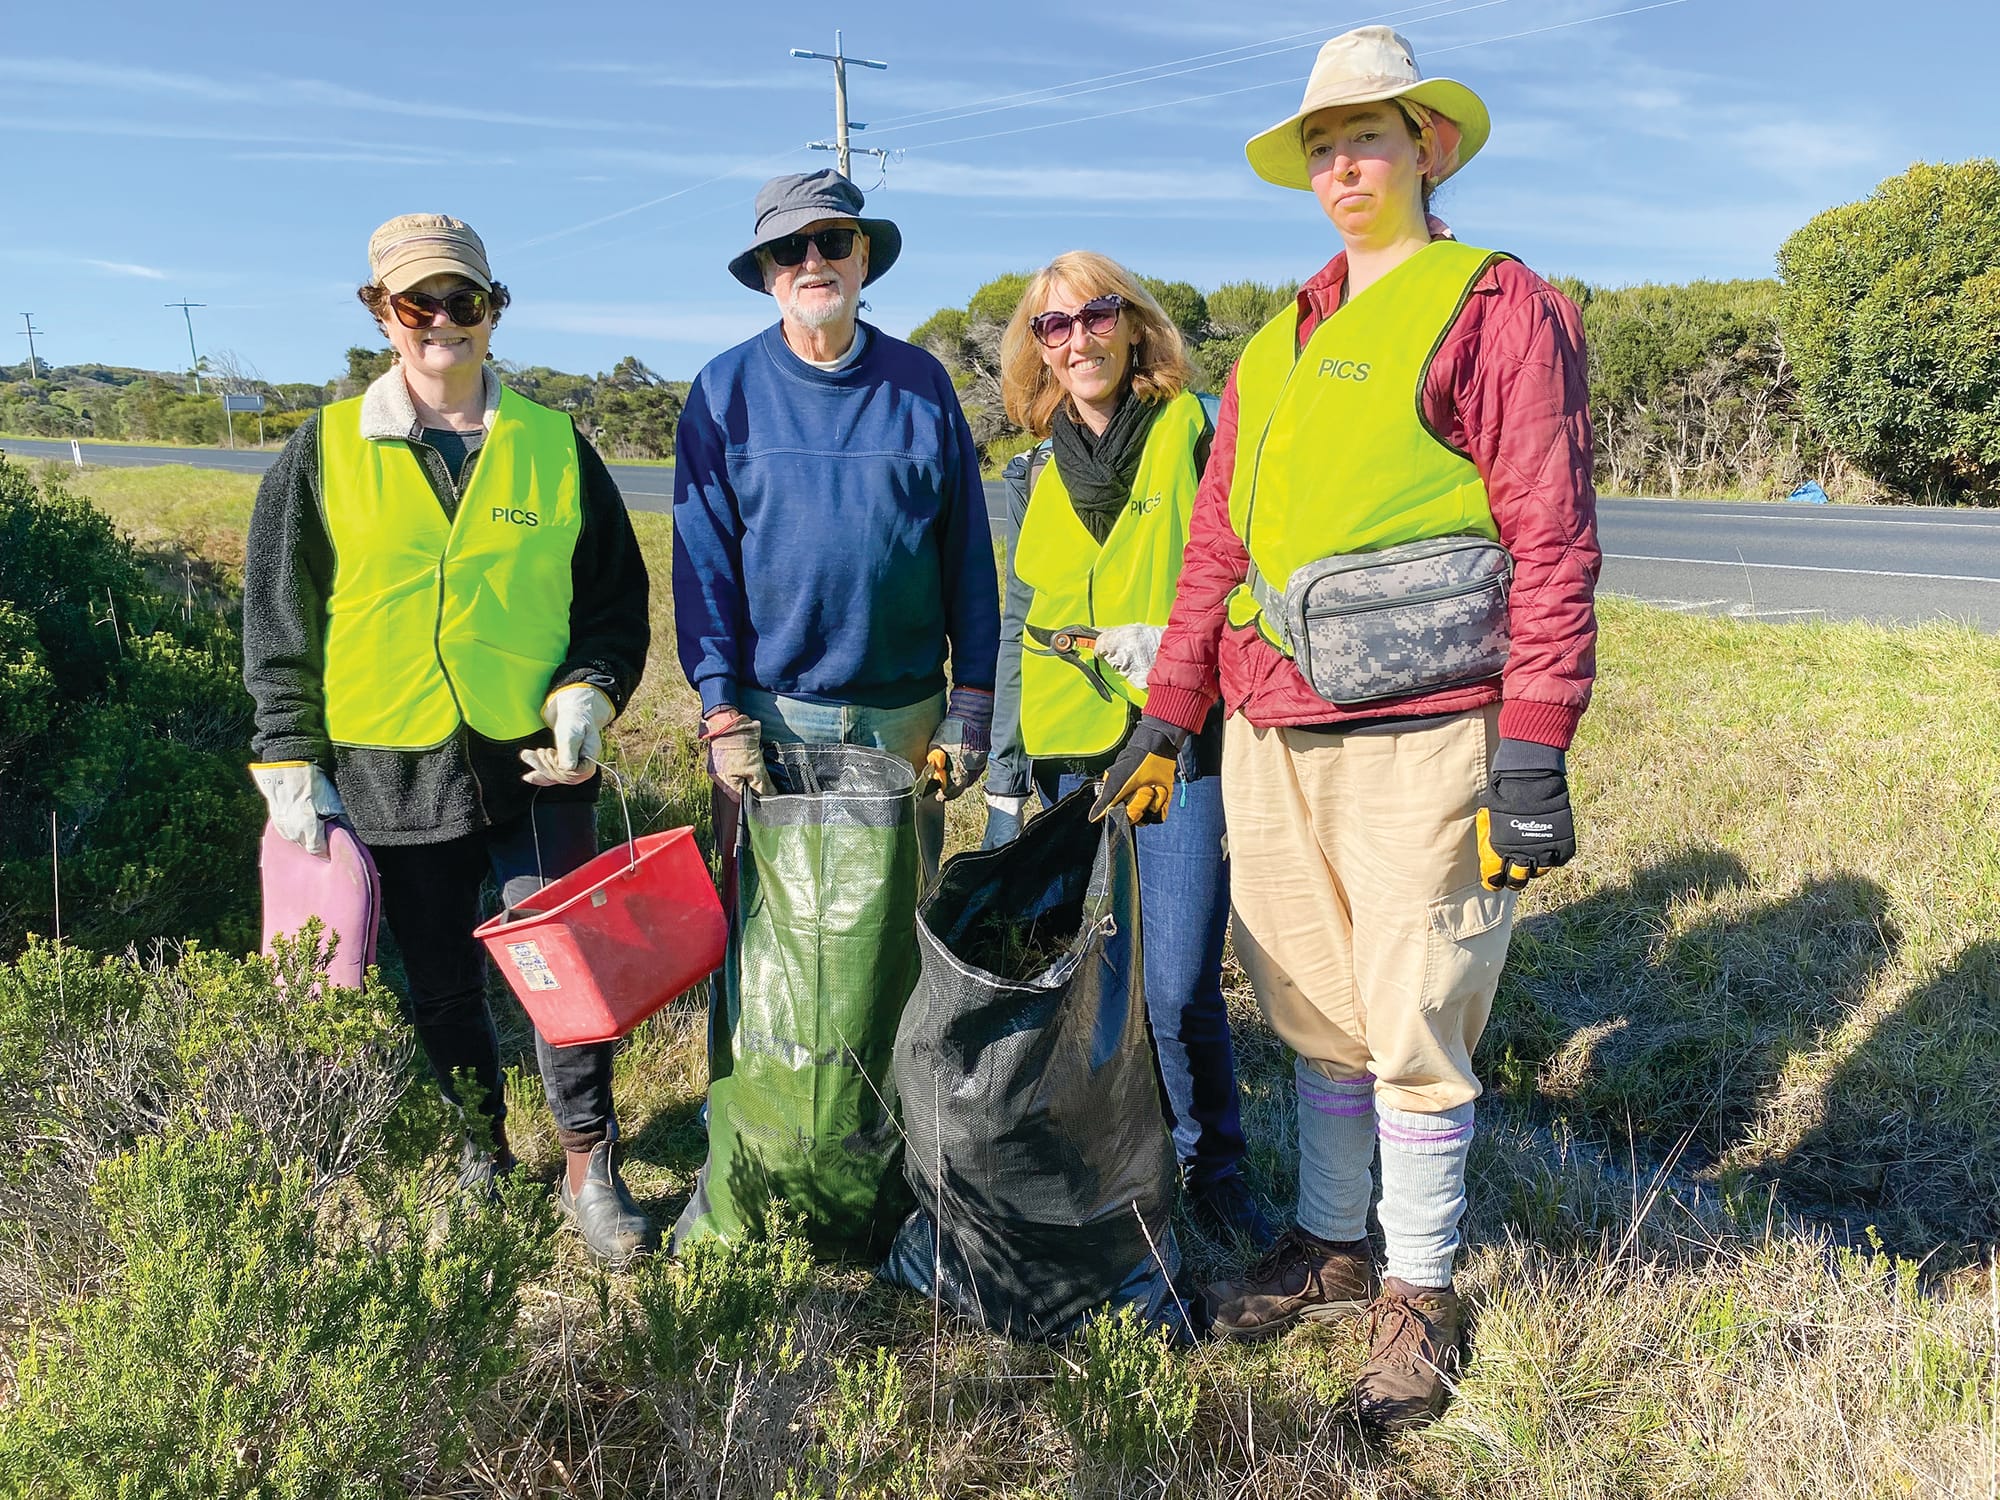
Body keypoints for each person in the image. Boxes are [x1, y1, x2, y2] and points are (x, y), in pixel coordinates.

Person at [1094, 27, 1601, 1431]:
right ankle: (1330, 1243)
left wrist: (1536, 740)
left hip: (1426, 724)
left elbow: (1549, 533)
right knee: (1312, 1003)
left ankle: (1421, 1287)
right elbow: (1215, 551)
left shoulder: (1495, 304)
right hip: (1269, 730)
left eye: (1365, 137)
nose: (1342, 165)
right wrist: (1165, 717)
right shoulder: (1273, 341)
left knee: (1417, 1005)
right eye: (1322, 145)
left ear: (1430, 146)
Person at [242, 213, 656, 1265]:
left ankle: (586, 1161)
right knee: (437, 980)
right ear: (381, 313)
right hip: (391, 764)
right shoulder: (321, 450)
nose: (440, 322)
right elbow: (279, 618)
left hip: (533, 761)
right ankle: (482, 1150)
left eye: (461, 301)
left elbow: (611, 602)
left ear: (492, 311)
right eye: (415, 303)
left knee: (564, 966)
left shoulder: (554, 445)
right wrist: (290, 757)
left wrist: (589, 690)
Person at [984, 253, 1270, 1248]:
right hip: (1069, 761)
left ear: (1134, 327)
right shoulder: (1025, 474)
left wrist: (1190, 650)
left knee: (1176, 979)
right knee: (1092, 983)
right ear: (1037, 350)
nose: (1076, 340)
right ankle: (1120, 1157)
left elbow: (1249, 572)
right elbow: (1019, 617)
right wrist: (1002, 779)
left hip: (1174, 745)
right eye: (1052, 327)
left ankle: (1212, 1165)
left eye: (1094, 315)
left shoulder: (1191, 436)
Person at [673, 170, 999, 880]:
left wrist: (974, 698)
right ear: (767, 274)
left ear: (862, 258)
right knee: (766, 933)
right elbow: (704, 567)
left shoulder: (924, 384)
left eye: (832, 241)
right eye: (790, 248)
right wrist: (722, 711)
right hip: (772, 714)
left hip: (904, 718)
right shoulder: (722, 391)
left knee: (888, 933)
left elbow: (967, 552)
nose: (812, 261)